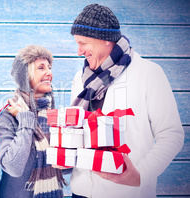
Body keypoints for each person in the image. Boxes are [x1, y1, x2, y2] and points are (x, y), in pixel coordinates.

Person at [67, 4, 184, 198]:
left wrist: (140, 175)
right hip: (80, 192)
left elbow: (171, 134)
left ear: (105, 39)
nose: (79, 51)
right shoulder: (80, 79)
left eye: (83, 43)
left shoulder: (148, 73)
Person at [0, 45, 69, 198]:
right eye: (41, 68)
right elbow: (13, 167)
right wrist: (26, 121)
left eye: (49, 67)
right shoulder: (8, 117)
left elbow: (63, 168)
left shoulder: (54, 115)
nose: (49, 72)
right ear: (25, 77)